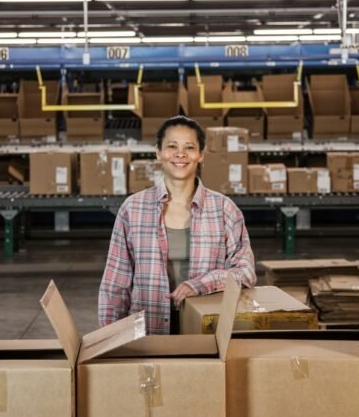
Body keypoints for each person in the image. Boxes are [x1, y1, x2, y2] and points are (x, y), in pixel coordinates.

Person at [98, 115, 257, 334]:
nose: (180, 154)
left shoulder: (224, 210)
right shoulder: (132, 209)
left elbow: (246, 271)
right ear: (159, 152)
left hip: (206, 333)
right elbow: (115, 284)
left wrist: (199, 285)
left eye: (189, 147)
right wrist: (109, 338)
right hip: (147, 333)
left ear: (200, 154)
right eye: (172, 146)